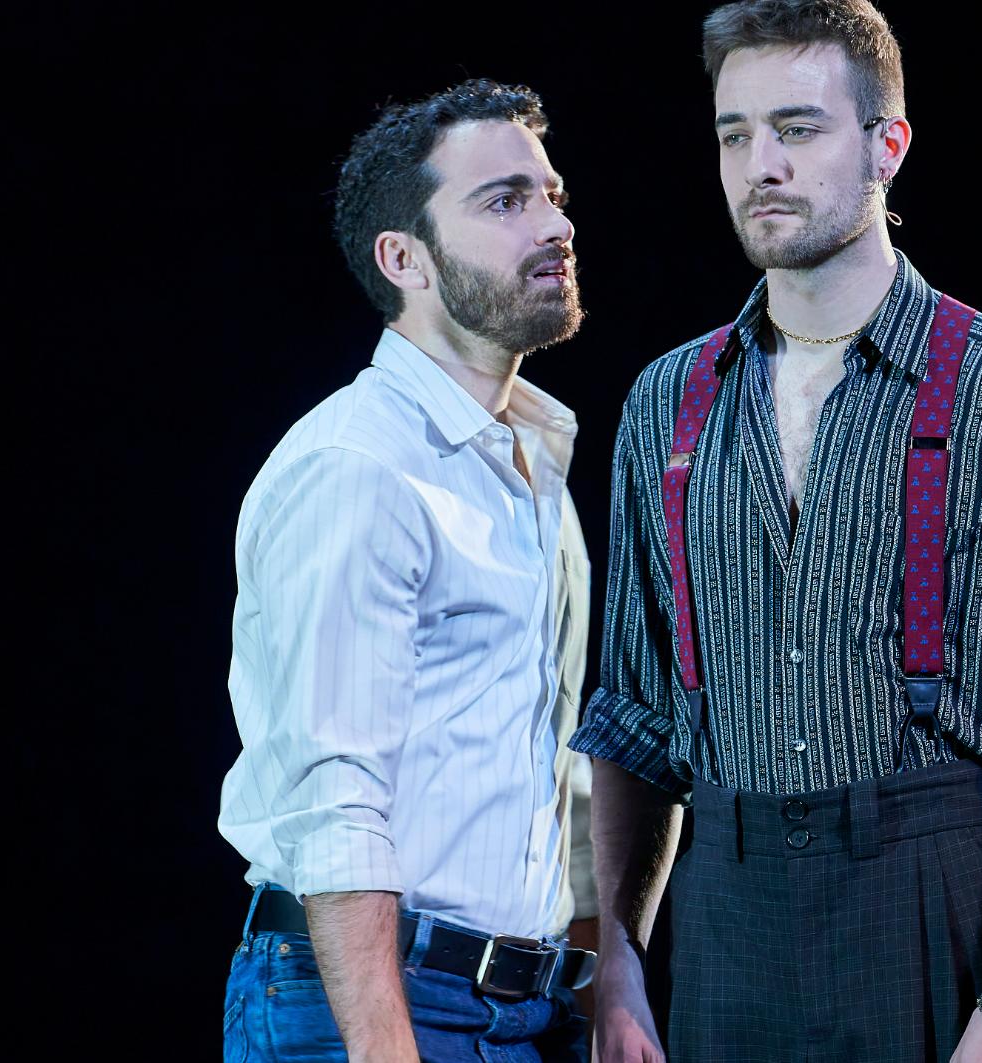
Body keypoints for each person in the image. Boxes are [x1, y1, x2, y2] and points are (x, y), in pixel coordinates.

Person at [571, 3, 982, 1060]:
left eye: (798, 128)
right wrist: (620, 964)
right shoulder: (667, 404)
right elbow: (634, 717)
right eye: (734, 135)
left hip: (926, 897)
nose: (761, 166)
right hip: (724, 908)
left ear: (888, 144)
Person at [218, 79, 599, 1063]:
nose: (553, 225)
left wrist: (600, 980)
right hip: (366, 1003)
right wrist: (385, 1044)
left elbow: (550, 770)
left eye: (551, 195)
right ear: (404, 259)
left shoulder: (531, 467)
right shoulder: (361, 464)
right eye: (504, 201)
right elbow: (334, 794)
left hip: (522, 1008)